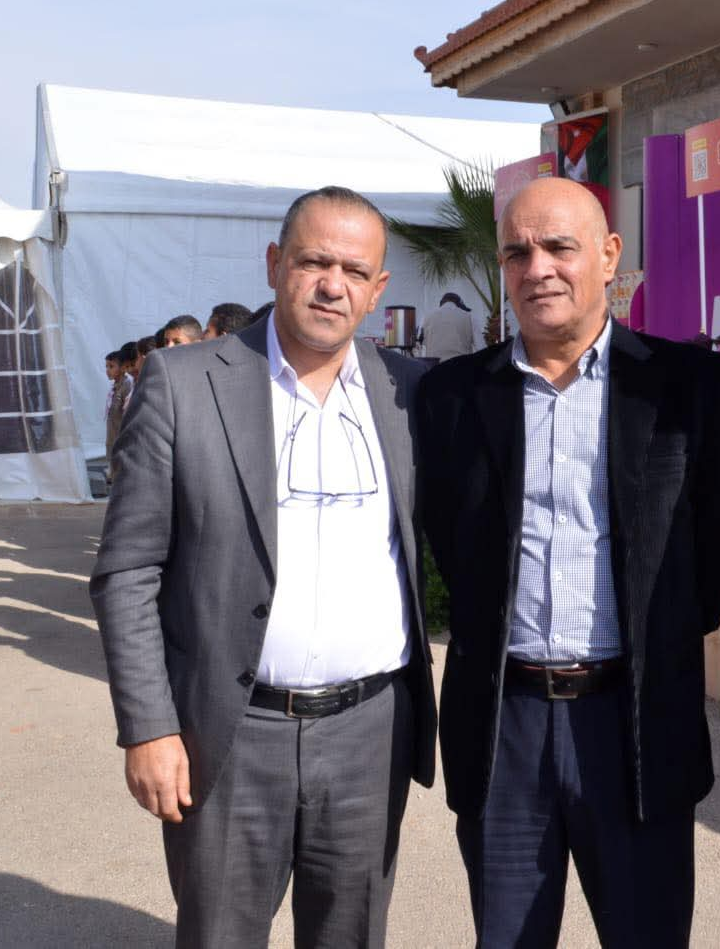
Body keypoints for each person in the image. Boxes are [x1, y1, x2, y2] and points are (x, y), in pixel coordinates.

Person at [90, 185, 438, 947]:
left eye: (354, 270)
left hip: (369, 736)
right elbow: (127, 571)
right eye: (314, 262)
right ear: (276, 263)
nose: (332, 284)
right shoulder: (183, 383)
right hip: (230, 735)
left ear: (378, 288)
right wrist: (148, 725)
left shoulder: (407, 392)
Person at [417, 177, 720, 947]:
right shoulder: (451, 397)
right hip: (504, 726)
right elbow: (451, 543)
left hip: (635, 722)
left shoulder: (689, 388)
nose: (538, 268)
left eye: (559, 247)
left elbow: (718, 547)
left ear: (608, 255)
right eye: (517, 252)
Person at [103, 348, 133, 483]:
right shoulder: (114, 386)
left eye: (111, 366)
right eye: (106, 366)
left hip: (121, 434)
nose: (107, 370)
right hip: (113, 432)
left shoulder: (127, 385)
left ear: (122, 368)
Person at [419, 292, 474, 361]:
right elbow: (480, 346)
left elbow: (420, 344)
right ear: (458, 305)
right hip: (462, 364)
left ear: (441, 304)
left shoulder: (427, 317)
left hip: (435, 365)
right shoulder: (469, 316)